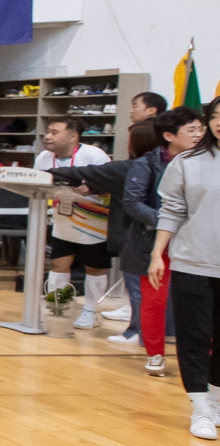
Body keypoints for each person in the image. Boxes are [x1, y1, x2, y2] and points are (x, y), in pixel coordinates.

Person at [151, 98, 220, 439]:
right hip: (193, 262)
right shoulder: (188, 162)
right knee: (194, 336)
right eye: (216, 116)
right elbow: (172, 209)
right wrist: (157, 253)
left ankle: (216, 400)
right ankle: (200, 408)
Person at [123, 108, 201, 374]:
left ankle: (207, 356)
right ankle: (155, 353)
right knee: (155, 300)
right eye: (191, 130)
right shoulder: (146, 164)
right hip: (155, 240)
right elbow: (132, 202)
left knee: (200, 300)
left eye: (200, 129)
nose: (198, 135)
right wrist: (168, 220)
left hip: (197, 241)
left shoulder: (207, 160)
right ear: (169, 135)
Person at [34, 117, 112, 330]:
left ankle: (90, 310)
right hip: (62, 220)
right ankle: (57, 306)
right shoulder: (43, 157)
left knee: (94, 267)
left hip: (93, 222)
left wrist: (92, 188)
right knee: (59, 264)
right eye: (47, 132)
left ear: (73, 136)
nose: (47, 137)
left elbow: (110, 183)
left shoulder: (94, 155)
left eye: (54, 132)